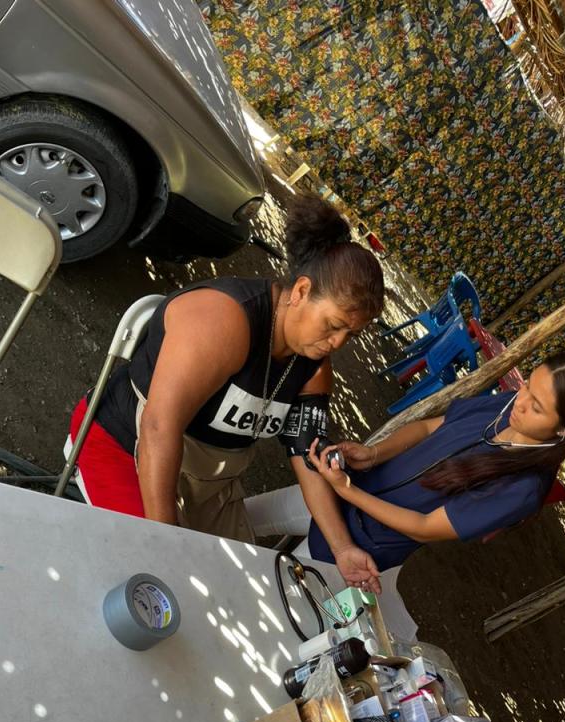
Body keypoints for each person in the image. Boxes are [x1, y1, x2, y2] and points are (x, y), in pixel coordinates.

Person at [68, 196, 385, 589]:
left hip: (208, 482)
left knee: (233, 587)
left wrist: (342, 549)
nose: (337, 342)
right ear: (302, 291)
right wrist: (165, 539)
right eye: (334, 325)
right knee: (153, 576)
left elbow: (309, 457)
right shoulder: (226, 320)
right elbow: (158, 426)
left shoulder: (314, 368)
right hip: (125, 443)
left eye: (350, 335)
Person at [245, 351, 565, 585]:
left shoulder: (522, 489)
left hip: (363, 542)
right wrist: (373, 455)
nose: (520, 402)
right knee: (241, 515)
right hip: (343, 487)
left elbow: (424, 527)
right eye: (527, 386)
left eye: (537, 407)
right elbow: (428, 428)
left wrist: (348, 491)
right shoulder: (506, 405)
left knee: (270, 583)